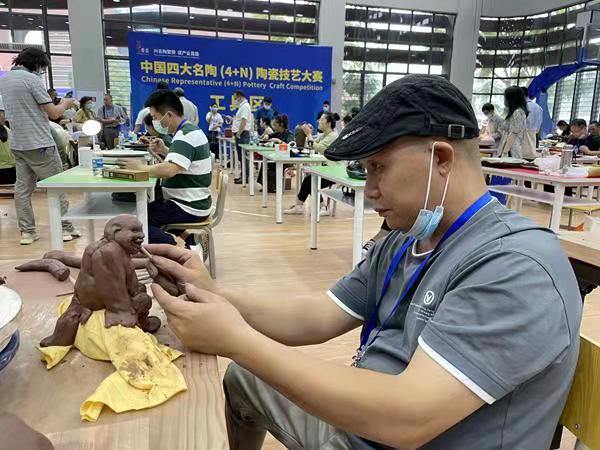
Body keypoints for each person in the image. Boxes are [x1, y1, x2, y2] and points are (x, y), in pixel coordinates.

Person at [147, 75, 582, 450]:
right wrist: (215, 294)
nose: (369, 190)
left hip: (397, 427)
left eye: (378, 167)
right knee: (244, 378)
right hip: (363, 426)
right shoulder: (406, 239)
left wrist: (238, 340)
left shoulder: (517, 266)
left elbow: (410, 418)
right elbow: (318, 315)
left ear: (442, 159)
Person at [0, 47, 78, 245]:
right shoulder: (32, 80)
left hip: (18, 144)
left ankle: (27, 232)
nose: (41, 72)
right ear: (36, 64)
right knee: (57, 186)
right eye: (42, 68)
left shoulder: (5, 80)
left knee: (22, 191)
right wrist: (66, 103)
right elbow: (54, 113)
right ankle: (64, 228)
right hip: (40, 143)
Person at [118, 89, 212, 247]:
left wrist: (140, 167)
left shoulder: (185, 135)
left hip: (188, 205)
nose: (155, 122)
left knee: (139, 221)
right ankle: (191, 241)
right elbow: (185, 161)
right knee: (152, 210)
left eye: (155, 118)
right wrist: (164, 151)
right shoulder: (189, 131)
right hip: (192, 201)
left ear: (169, 115)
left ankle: (176, 252)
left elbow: (170, 170)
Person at [284, 112, 341, 215]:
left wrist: (309, 134)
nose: (319, 121)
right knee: (309, 180)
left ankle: (322, 208)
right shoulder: (324, 135)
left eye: (322, 119)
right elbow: (311, 144)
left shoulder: (333, 136)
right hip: (326, 168)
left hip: (335, 170)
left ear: (328, 124)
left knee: (310, 181)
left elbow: (318, 147)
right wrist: (306, 132)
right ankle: (300, 206)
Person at [259, 114, 294, 193]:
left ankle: (273, 186)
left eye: (275, 125)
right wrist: (267, 136)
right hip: (279, 157)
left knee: (271, 164)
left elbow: (290, 147)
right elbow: (270, 135)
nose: (274, 127)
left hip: (287, 159)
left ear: (281, 125)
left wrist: (279, 141)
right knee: (265, 162)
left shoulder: (289, 134)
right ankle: (266, 185)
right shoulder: (278, 133)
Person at [498, 86, 528, 158]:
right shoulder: (512, 111)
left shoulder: (518, 112)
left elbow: (513, 134)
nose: (504, 99)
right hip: (507, 146)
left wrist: (505, 152)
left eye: (505, 97)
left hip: (511, 149)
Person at [231, 90, 253, 185]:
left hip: (242, 134)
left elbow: (244, 122)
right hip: (241, 134)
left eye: (236, 98)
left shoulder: (245, 106)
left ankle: (246, 177)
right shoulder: (242, 106)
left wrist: (238, 134)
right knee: (241, 157)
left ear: (240, 97)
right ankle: (243, 176)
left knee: (243, 157)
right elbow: (240, 120)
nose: (235, 100)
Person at [521, 87, 543, 157]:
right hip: (534, 136)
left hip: (523, 137)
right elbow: (539, 126)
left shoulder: (522, 107)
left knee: (522, 157)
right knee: (531, 156)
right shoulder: (538, 107)